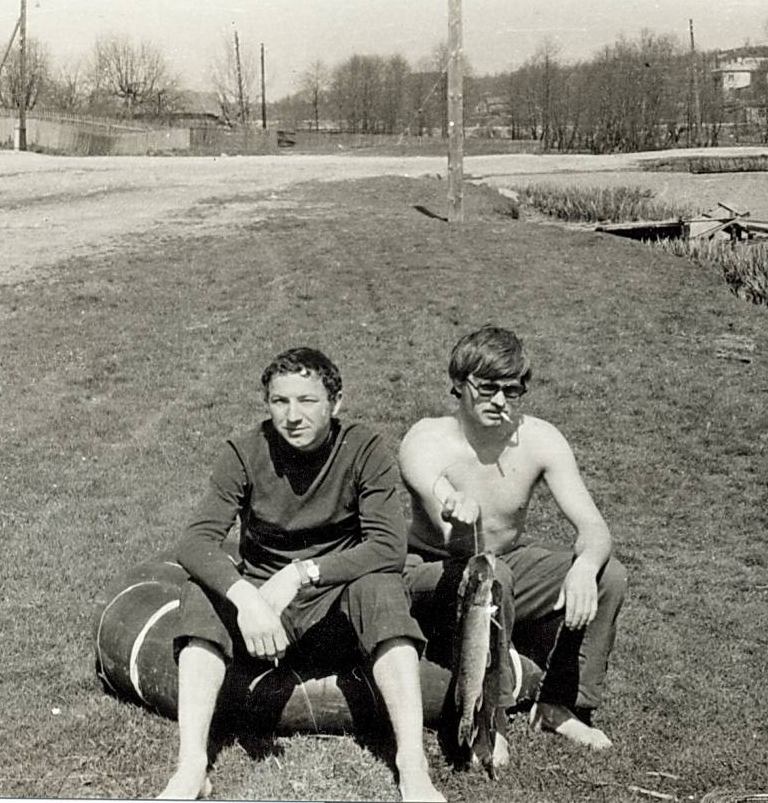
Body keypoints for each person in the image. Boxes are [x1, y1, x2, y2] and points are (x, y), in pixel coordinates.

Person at [158, 347, 444, 802]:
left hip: (337, 605)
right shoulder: (243, 452)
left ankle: (412, 763)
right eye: (280, 402)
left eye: (307, 401)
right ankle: (192, 764)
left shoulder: (365, 448)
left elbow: (389, 546)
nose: (292, 416)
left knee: (382, 587)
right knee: (200, 593)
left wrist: (302, 572)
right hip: (266, 607)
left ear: (336, 402)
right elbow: (195, 542)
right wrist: (247, 599)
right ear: (267, 404)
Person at [400, 326, 627, 763]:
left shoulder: (540, 439)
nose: (500, 402)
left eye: (512, 390)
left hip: (503, 561)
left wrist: (583, 567)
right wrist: (453, 505)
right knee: (492, 574)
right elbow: (458, 539)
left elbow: (594, 528)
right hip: (433, 568)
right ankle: (489, 721)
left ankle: (559, 704)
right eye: (487, 388)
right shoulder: (427, 438)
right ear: (458, 384)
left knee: (608, 573)